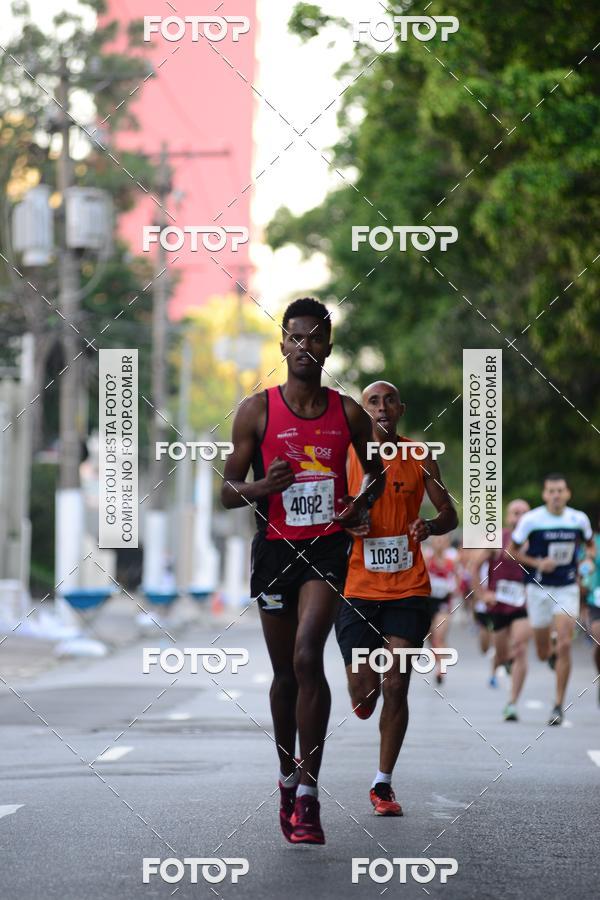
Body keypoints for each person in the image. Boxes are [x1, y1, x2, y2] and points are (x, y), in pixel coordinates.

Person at [221, 297, 384, 845]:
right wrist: (262, 487)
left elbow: (377, 472)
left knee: (308, 655)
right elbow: (226, 491)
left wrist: (359, 503)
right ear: (282, 344)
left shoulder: (348, 413)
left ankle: (310, 795)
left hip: (326, 550)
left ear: (328, 347)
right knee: (285, 675)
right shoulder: (257, 411)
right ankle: (287, 779)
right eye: (294, 337)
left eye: (314, 337)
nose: (303, 346)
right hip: (274, 552)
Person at [334, 380, 457, 816]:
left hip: (408, 588)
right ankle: (361, 696)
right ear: (362, 411)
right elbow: (326, 512)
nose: (382, 408)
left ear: (401, 409)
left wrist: (430, 526)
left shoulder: (418, 455)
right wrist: (346, 523)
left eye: (389, 401)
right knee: (365, 690)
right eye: (373, 402)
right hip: (357, 588)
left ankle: (382, 784)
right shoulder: (345, 455)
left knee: (397, 683)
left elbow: (449, 513)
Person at [509, 474, 594, 726]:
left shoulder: (579, 519)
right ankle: (551, 652)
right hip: (538, 589)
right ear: (545, 495)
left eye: (560, 491)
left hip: (567, 586)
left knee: (566, 643)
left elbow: (590, 546)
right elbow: (512, 552)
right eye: (551, 491)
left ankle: (558, 705)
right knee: (543, 651)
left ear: (567, 493)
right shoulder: (532, 520)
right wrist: (537, 563)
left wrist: (588, 560)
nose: (556, 495)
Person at [469, 500, 531, 721]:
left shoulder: (535, 540)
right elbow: (474, 566)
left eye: (524, 513)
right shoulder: (497, 538)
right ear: (508, 517)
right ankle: (505, 662)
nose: (519, 517)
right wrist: (482, 594)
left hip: (524, 604)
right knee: (503, 653)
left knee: (520, 648)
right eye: (515, 513)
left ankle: (512, 703)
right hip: (499, 604)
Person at [423, 534, 458, 685]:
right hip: (427, 602)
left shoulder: (452, 561)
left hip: (443, 603)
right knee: (431, 638)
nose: (439, 543)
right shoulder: (426, 558)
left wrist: (453, 589)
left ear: (447, 544)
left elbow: (459, 581)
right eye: (437, 540)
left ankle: (441, 670)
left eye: (443, 541)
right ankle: (439, 661)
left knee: (439, 636)